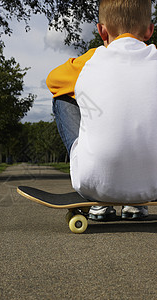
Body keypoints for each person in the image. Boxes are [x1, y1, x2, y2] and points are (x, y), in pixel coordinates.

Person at [46, 0, 157, 220]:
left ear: (101, 30)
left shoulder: (90, 60)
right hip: (153, 185)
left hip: (94, 185)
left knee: (62, 98)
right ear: (149, 30)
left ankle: (99, 204)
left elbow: (53, 81)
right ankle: (136, 203)